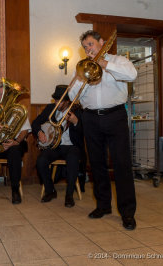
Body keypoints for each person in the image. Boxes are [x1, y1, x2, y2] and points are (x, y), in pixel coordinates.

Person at [69, 30, 138, 230]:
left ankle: (127, 213)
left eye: (91, 44)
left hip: (115, 115)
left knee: (121, 164)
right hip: (90, 118)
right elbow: (74, 96)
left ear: (101, 42)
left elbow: (132, 74)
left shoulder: (118, 61)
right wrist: (80, 78)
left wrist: (104, 64)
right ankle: (103, 205)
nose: (88, 49)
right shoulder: (82, 68)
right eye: (85, 47)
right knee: (97, 164)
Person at [32, 85, 85, 207]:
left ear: (68, 101)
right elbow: (35, 123)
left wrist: (76, 122)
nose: (57, 103)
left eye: (60, 101)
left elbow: (86, 132)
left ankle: (69, 195)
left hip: (72, 146)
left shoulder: (77, 110)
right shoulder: (50, 108)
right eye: (55, 100)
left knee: (73, 159)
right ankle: (50, 191)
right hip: (55, 146)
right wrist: (39, 132)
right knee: (41, 161)